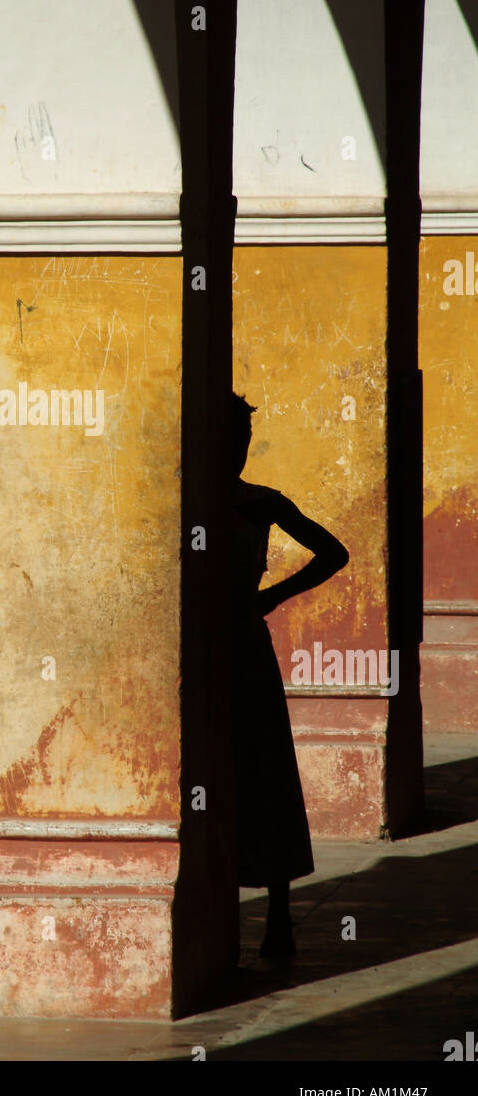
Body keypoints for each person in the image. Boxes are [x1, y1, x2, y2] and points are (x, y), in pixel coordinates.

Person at [230, 393, 349, 959]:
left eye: (243, 441)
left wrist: (270, 596)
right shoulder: (204, 504)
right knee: (241, 773)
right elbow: (331, 554)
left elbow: (334, 552)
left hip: (241, 649)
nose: (237, 450)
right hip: (218, 650)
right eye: (229, 439)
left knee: (263, 772)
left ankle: (278, 916)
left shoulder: (258, 503)